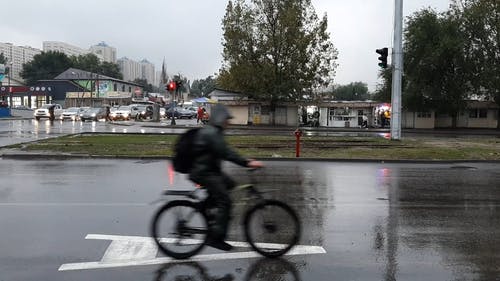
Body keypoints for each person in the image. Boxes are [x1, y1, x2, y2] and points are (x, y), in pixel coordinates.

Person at [189, 104, 263, 251]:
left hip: (210, 171)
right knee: (225, 201)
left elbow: (225, 151)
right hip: (203, 172)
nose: (228, 122)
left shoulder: (214, 132)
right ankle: (215, 238)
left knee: (230, 184)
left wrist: (245, 161)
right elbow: (226, 153)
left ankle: (207, 209)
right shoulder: (212, 133)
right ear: (219, 119)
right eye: (226, 119)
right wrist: (247, 162)